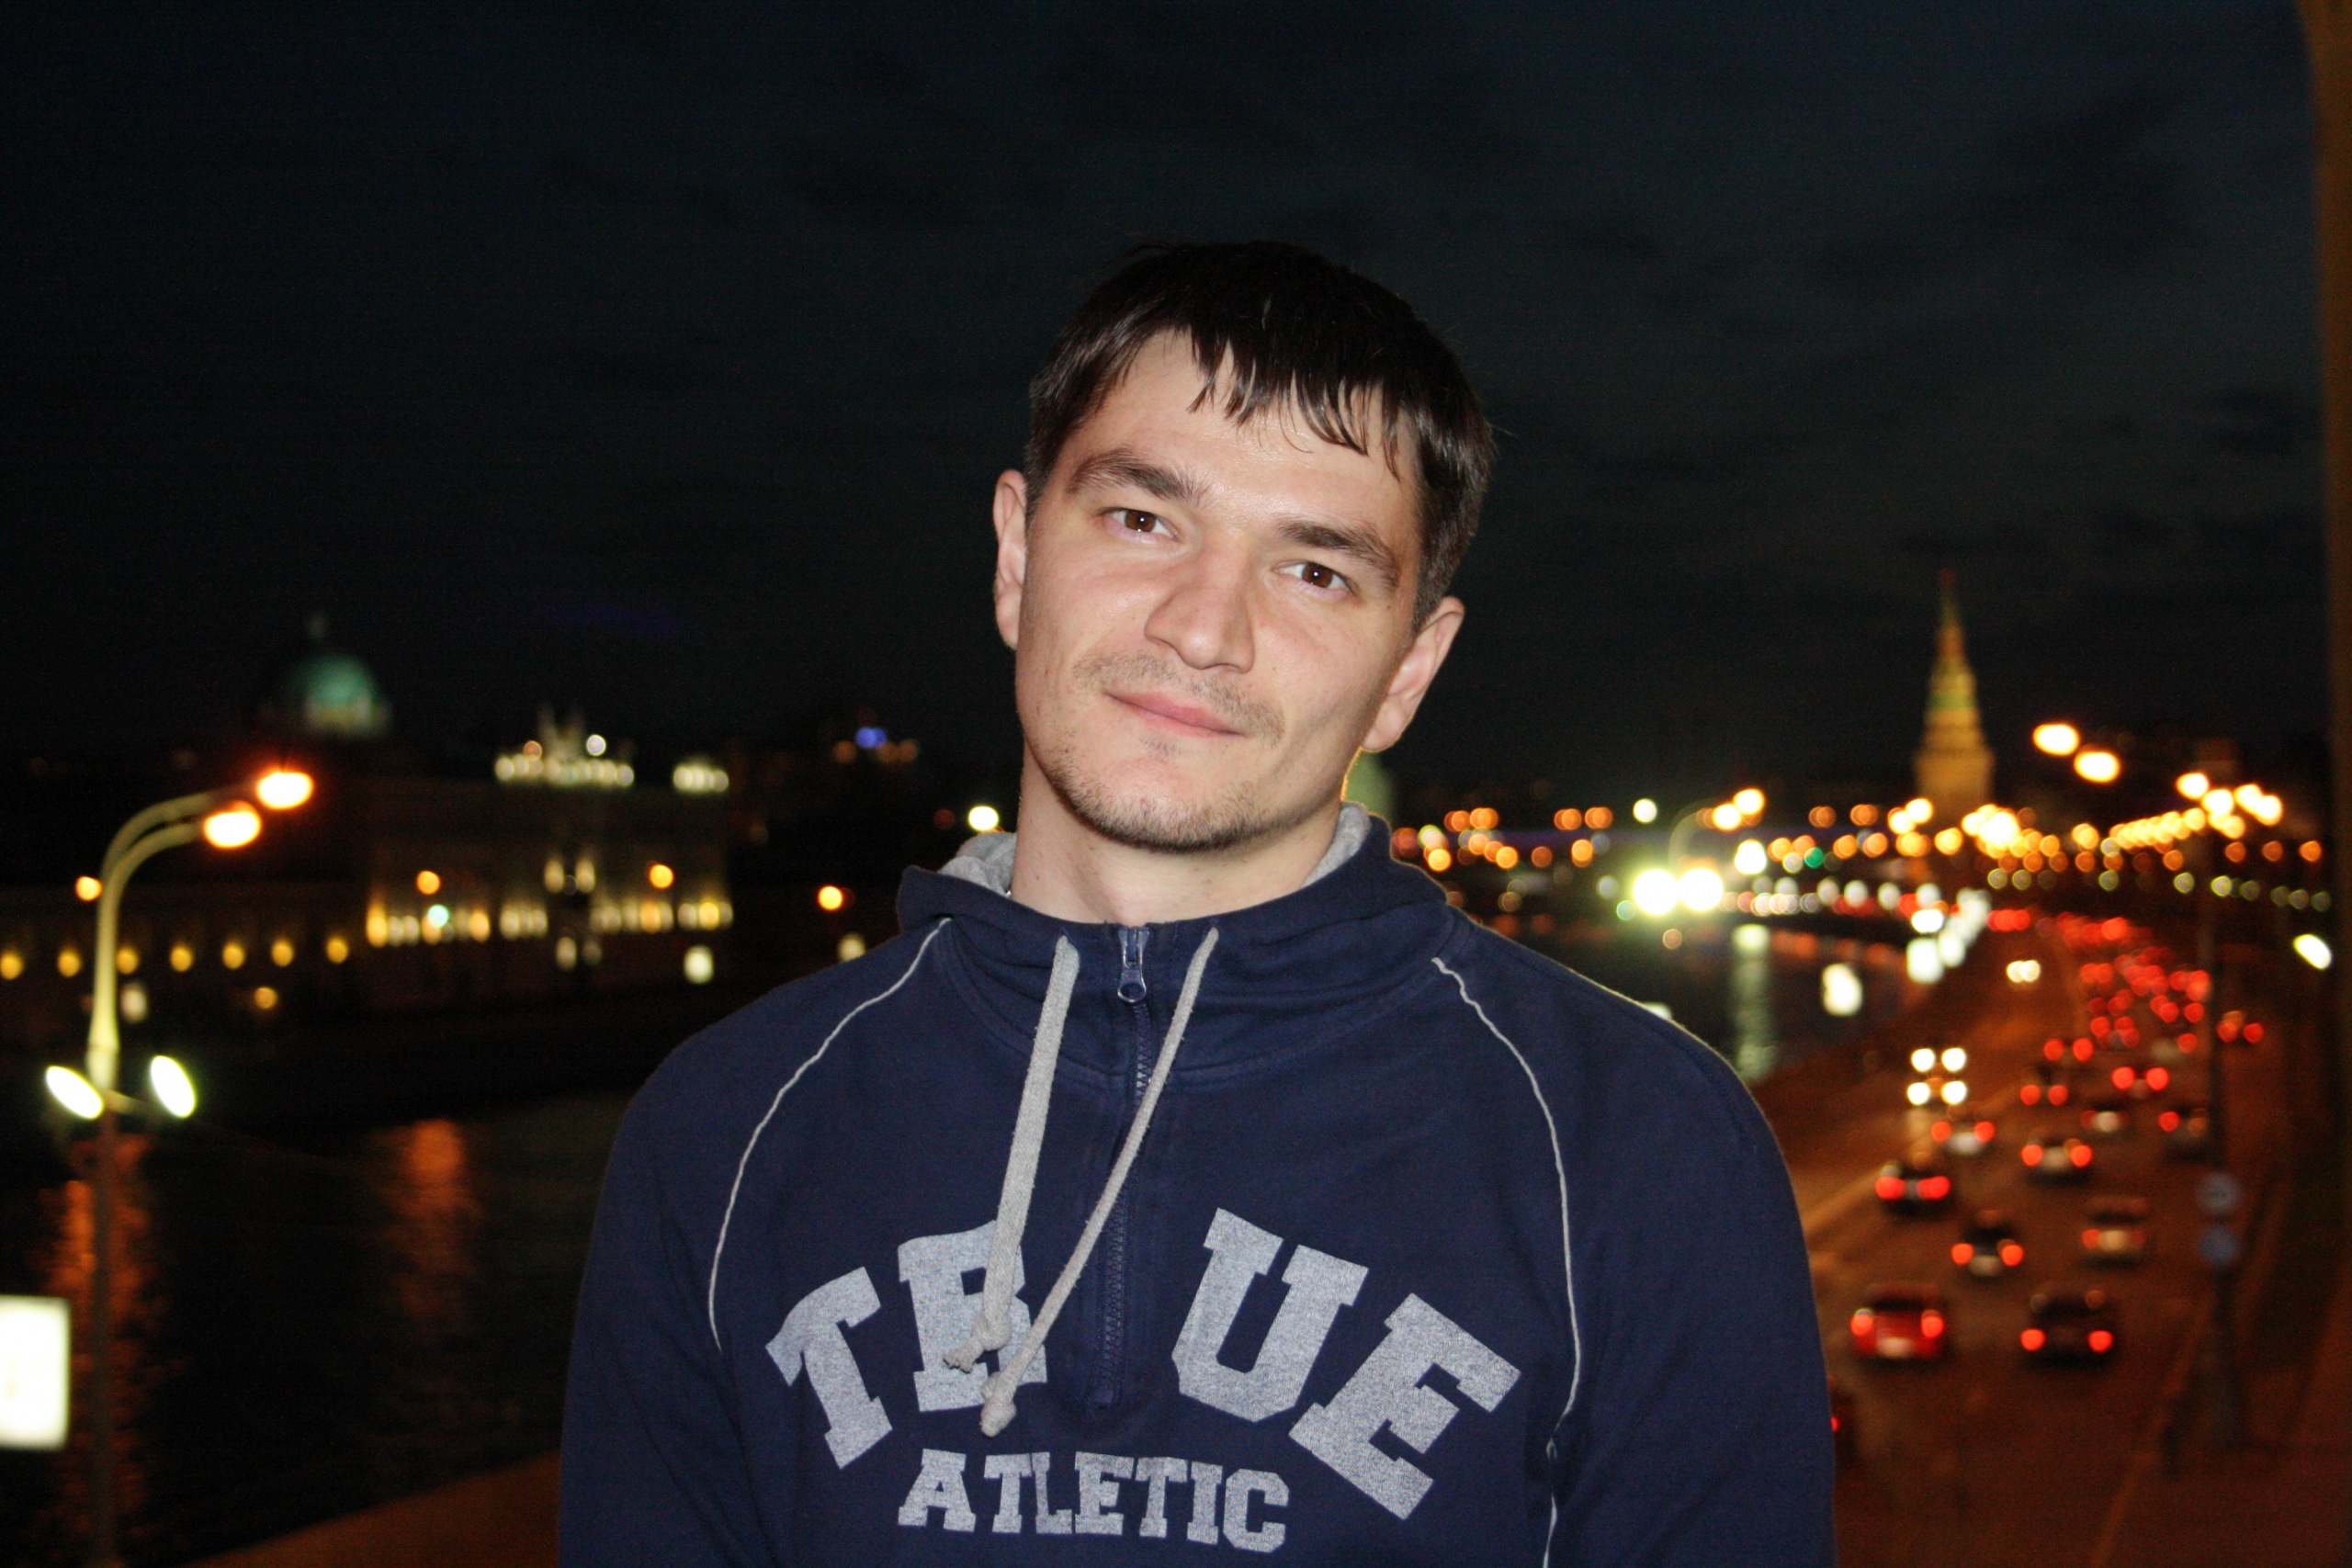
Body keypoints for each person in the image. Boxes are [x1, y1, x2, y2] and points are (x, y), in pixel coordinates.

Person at [560, 243, 1832, 1565]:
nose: (1204, 628)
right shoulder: (725, 1131)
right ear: (1016, 555)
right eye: (1142, 519)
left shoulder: (1642, 1152)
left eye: (1316, 570)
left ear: (1409, 670)